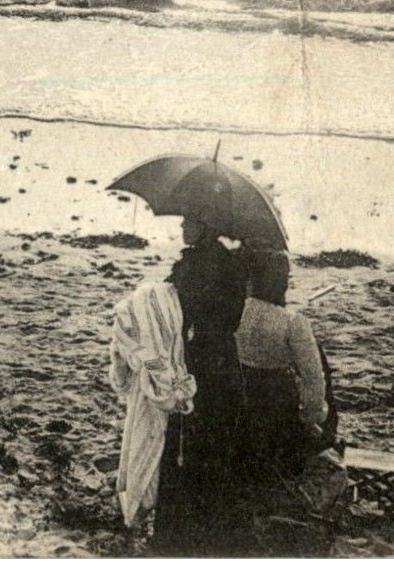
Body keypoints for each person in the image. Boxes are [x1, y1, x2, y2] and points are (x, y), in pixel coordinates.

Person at [151, 197, 246, 555]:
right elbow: (234, 318)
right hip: (224, 358)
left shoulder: (191, 265)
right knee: (215, 438)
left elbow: (173, 308)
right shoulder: (233, 265)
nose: (181, 227)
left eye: (188, 221)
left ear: (203, 225)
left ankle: (176, 529)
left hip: (195, 356)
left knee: (183, 433)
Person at [233, 249, 330, 477]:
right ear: (282, 282)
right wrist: (312, 419)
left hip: (241, 400)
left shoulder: (236, 310)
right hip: (277, 404)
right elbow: (313, 377)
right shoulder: (293, 322)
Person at [109, 280, 196, 529]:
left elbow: (123, 365)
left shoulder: (152, 297)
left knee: (143, 444)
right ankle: (143, 506)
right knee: (151, 445)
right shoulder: (161, 303)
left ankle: (140, 506)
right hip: (158, 386)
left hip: (150, 385)